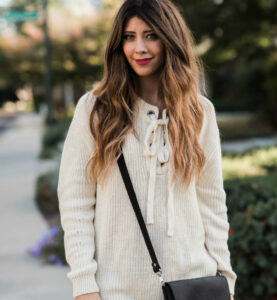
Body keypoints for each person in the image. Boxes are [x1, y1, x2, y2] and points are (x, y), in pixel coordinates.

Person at [57, 0, 237, 299]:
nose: (139, 47)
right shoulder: (97, 110)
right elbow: (75, 202)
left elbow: (212, 202)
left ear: (170, 40)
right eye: (129, 37)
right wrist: (84, 285)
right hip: (118, 290)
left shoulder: (199, 112)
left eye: (151, 35)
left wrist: (226, 279)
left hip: (194, 285)